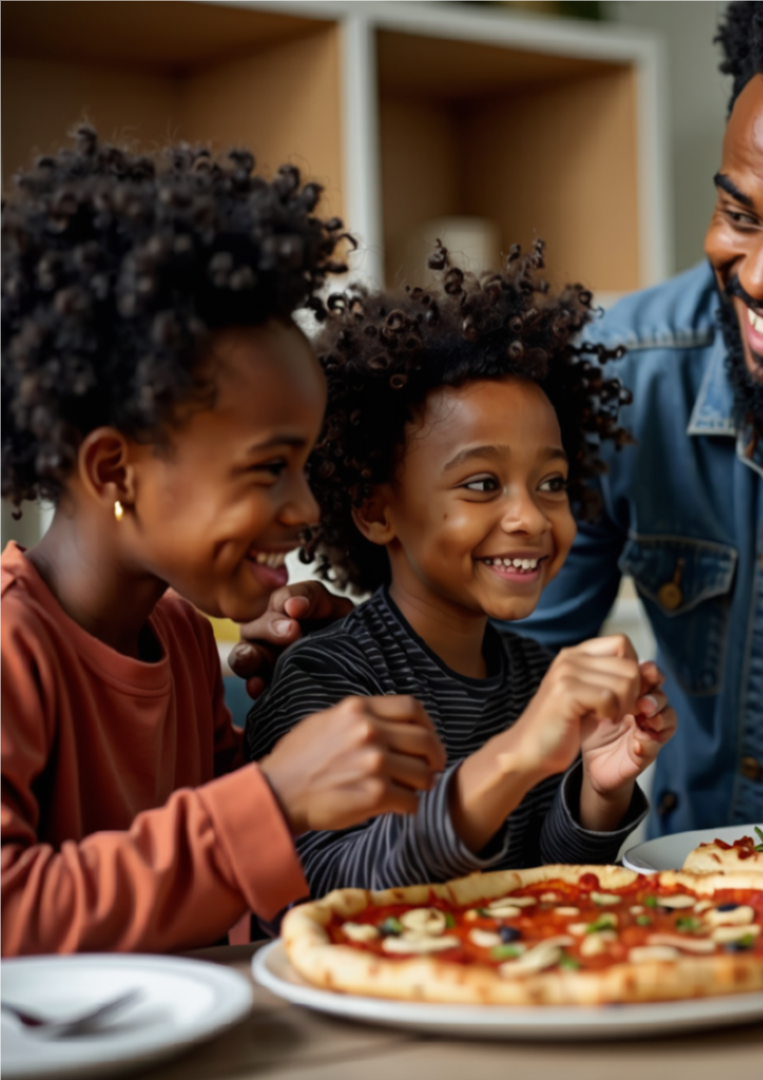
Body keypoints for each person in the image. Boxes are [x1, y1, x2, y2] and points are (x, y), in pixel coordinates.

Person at [235, 0, 763, 838]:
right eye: (739, 216)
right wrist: (373, 652)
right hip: (720, 884)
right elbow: (503, 686)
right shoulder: (623, 373)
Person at [0, 129, 445, 956]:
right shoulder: (11, 646)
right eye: (270, 468)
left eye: (306, 465)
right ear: (115, 469)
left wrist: (304, 710)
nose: (307, 506)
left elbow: (221, 883)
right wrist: (275, 797)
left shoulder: (177, 634)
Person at [242, 242, 676, 894]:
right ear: (376, 512)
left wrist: (598, 789)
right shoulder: (324, 675)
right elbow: (323, 890)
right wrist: (518, 753)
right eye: (481, 484)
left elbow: (550, 883)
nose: (530, 517)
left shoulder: (534, 671)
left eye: (552, 482)